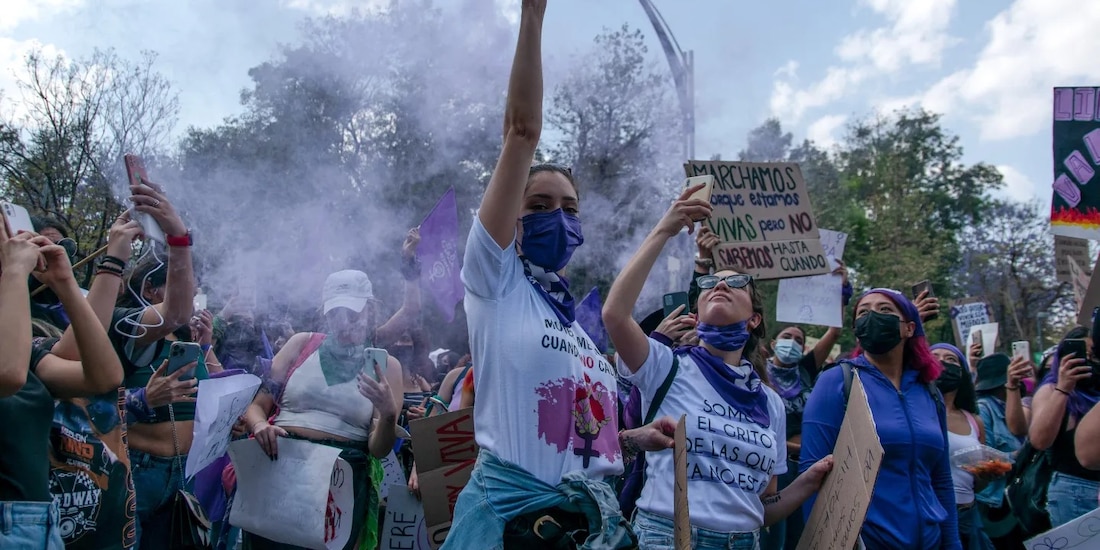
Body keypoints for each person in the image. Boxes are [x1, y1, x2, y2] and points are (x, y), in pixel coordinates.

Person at [445, 3, 676, 547]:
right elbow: (521, 132)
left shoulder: (580, 333)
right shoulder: (494, 282)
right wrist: (532, 16)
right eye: (541, 203)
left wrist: (634, 438)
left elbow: (573, 436)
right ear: (514, 219)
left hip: (585, 531)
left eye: (570, 208)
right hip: (510, 530)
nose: (559, 216)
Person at [603, 186, 834, 549]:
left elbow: (762, 507)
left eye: (736, 282)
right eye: (710, 282)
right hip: (666, 538)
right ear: (697, 313)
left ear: (755, 319)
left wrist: (810, 481)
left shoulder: (770, 403)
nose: (721, 283)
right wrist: (665, 229)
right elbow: (615, 315)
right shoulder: (666, 366)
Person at [242, 269, 403, 550]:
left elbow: (379, 449)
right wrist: (259, 426)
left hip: (339, 482)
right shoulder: (302, 344)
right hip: (280, 469)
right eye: (335, 314)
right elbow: (257, 406)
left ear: (370, 310)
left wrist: (388, 414)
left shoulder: (387, 368)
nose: (344, 323)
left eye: (353, 315)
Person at [801, 288, 961, 550]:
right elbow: (811, 474)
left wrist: (952, 542)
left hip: (931, 542)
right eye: (863, 312)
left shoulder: (930, 393)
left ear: (909, 328)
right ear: (857, 328)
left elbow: (941, 477)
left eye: (885, 310)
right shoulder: (837, 383)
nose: (872, 316)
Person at [1, 230, 124, 548]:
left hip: (40, 523)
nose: (16, 242)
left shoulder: (21, 348)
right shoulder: (11, 357)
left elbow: (103, 377)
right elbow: (7, 375)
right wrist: (14, 272)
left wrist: (65, 284)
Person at [1028, 332, 1100, 526]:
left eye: (1094, 355)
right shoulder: (1051, 390)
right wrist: (1064, 388)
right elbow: (1039, 441)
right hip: (1076, 491)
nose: (1088, 361)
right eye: (1082, 356)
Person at [930, 345, 994, 550]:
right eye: (935, 357)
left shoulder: (975, 421)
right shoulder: (918, 413)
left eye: (951, 359)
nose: (942, 363)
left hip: (968, 515)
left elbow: (978, 483)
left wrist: (988, 473)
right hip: (933, 513)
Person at [970, 353, 1028, 547]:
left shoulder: (1014, 405)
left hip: (1020, 496)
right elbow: (986, 459)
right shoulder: (983, 410)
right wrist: (1020, 455)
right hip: (996, 502)